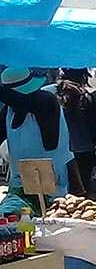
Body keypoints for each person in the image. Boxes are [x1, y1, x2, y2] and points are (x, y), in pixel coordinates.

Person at [0, 68, 74, 198]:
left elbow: (19, 99)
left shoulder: (46, 100)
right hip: (20, 180)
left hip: (52, 178)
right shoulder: (9, 110)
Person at [56, 69, 96, 197]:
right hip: (83, 153)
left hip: (57, 152)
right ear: (83, 79)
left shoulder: (52, 94)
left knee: (58, 191)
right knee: (80, 194)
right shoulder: (87, 98)